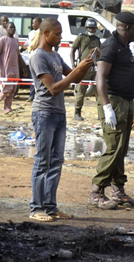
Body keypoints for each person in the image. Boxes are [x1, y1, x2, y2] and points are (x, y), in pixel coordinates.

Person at [29, 17, 95, 221]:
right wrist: (78, 69)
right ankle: (36, 208)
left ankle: (50, 206)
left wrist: (84, 65)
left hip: (58, 113)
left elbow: (75, 78)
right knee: (43, 161)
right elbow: (54, 88)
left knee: (56, 161)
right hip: (44, 113)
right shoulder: (38, 57)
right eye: (57, 34)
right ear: (46, 33)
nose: (60, 37)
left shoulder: (56, 56)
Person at [88, 12, 134, 210]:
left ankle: (118, 191)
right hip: (114, 102)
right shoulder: (110, 45)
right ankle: (96, 191)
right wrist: (107, 107)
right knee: (113, 148)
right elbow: (100, 78)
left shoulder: (124, 47)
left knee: (121, 148)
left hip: (125, 103)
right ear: (126, 28)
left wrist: (133, 108)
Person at [0, 22, 27, 115]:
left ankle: (7, 109)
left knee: (13, 89)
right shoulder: (2, 40)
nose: (12, 29)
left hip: (14, 68)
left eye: (14, 27)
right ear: (6, 29)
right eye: (10, 27)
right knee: (7, 88)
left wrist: (24, 67)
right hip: (5, 68)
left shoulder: (15, 41)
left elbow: (18, 56)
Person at [70, 18, 101, 121]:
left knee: (99, 91)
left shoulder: (97, 39)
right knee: (81, 91)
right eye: (90, 28)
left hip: (95, 67)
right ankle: (77, 113)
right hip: (84, 67)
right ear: (86, 28)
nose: (92, 30)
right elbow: (72, 50)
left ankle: (101, 114)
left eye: (93, 28)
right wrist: (73, 65)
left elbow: (100, 53)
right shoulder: (81, 37)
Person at [24, 17, 42, 102]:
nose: (32, 25)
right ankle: (32, 95)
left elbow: (33, 45)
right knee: (33, 77)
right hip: (31, 58)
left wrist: (29, 48)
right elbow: (28, 42)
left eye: (33, 23)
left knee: (39, 77)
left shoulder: (41, 33)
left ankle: (37, 96)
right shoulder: (31, 33)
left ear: (38, 23)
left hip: (38, 58)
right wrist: (22, 47)